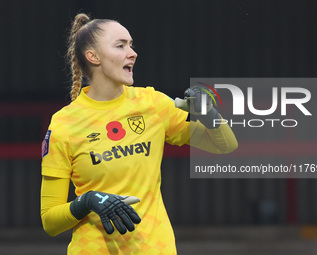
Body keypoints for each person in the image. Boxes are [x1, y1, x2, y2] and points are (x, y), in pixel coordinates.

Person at [40, 13, 238, 255]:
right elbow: (50, 221)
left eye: (131, 45)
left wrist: (209, 114)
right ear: (93, 57)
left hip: (155, 249)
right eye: (120, 45)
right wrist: (88, 201)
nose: (133, 53)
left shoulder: (152, 104)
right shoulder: (63, 124)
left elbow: (225, 145)